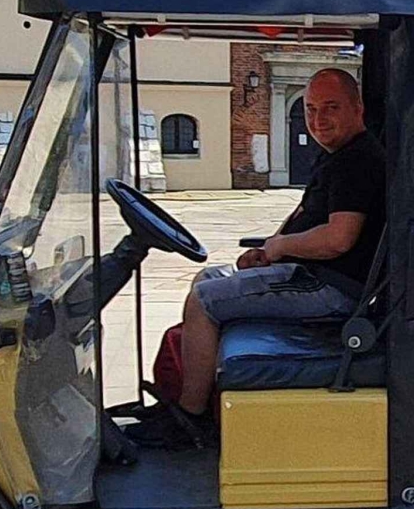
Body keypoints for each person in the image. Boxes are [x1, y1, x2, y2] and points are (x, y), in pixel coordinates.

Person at [128, 68, 386, 448]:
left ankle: (190, 419)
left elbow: (337, 239)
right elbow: (304, 219)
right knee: (206, 280)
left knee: (204, 301)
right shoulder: (337, 157)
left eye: (331, 108)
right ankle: (191, 401)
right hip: (315, 275)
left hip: (330, 287)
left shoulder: (357, 161)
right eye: (312, 109)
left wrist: (279, 249)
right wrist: (268, 250)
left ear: (358, 108)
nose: (318, 120)